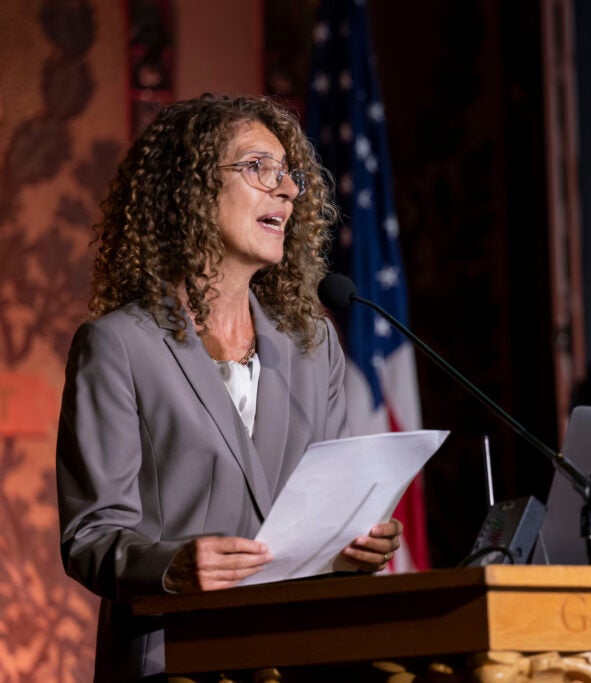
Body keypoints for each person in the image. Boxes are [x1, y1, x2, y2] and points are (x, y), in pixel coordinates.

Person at [56, 93, 403, 681]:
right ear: (187, 190)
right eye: (257, 168)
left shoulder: (313, 345)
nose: (287, 190)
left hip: (299, 657)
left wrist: (353, 545)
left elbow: (323, 510)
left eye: (288, 175)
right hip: (176, 656)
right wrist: (171, 566)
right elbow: (90, 536)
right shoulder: (119, 346)